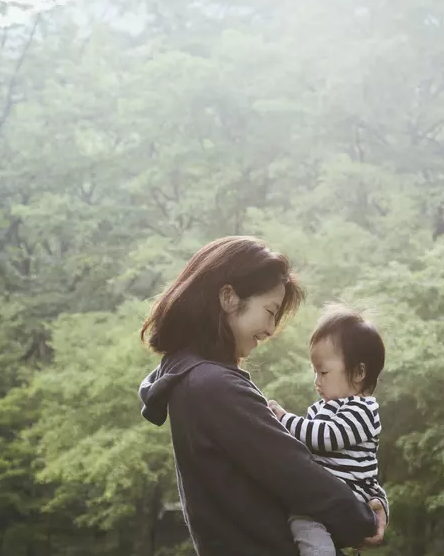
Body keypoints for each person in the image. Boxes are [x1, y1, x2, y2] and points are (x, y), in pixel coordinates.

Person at [138, 236, 387, 556]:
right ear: (228, 297)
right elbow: (295, 472)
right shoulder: (213, 386)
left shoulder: (193, 378)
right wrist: (363, 519)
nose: (271, 329)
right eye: (270, 311)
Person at [267, 303, 389, 556]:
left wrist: (283, 419)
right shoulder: (321, 410)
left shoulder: (363, 411)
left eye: (323, 372)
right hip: (326, 497)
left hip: (351, 498)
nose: (317, 381)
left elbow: (326, 437)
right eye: (314, 371)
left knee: (305, 524)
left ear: (358, 372)